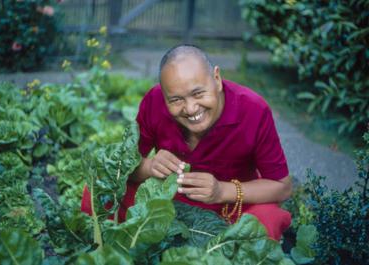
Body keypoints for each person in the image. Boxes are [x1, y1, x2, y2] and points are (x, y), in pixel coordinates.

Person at [120, 44, 291, 240]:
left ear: (217, 79)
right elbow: (124, 166)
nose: (191, 109)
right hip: (169, 206)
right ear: (164, 96)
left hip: (232, 209)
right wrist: (150, 166)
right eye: (176, 100)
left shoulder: (254, 109)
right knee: (101, 194)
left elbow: (282, 186)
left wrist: (221, 191)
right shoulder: (154, 101)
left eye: (198, 93)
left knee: (268, 217)